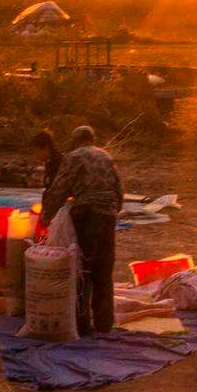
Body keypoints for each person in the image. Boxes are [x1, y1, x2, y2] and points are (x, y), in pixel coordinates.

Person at [41, 125, 122, 335]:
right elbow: (118, 189)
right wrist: (113, 210)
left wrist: (46, 218)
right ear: (92, 139)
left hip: (86, 215)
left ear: (75, 140)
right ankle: (104, 324)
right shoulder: (105, 155)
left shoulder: (74, 157)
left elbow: (58, 189)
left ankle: (82, 325)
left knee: (83, 269)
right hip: (107, 215)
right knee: (104, 270)